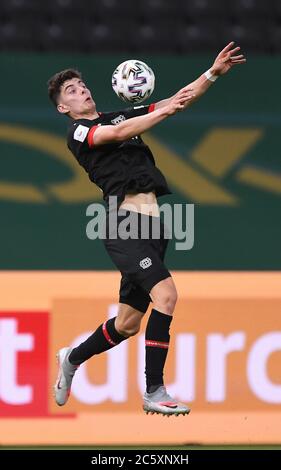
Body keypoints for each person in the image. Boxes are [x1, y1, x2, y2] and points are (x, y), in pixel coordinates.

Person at [47, 42, 245, 416]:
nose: (81, 90)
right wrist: (164, 110)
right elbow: (112, 136)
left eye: (82, 84)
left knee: (127, 324)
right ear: (63, 107)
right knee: (167, 296)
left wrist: (212, 73)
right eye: (71, 91)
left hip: (154, 227)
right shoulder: (79, 131)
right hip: (122, 224)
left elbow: (179, 99)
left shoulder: (120, 117)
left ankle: (72, 357)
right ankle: (154, 390)